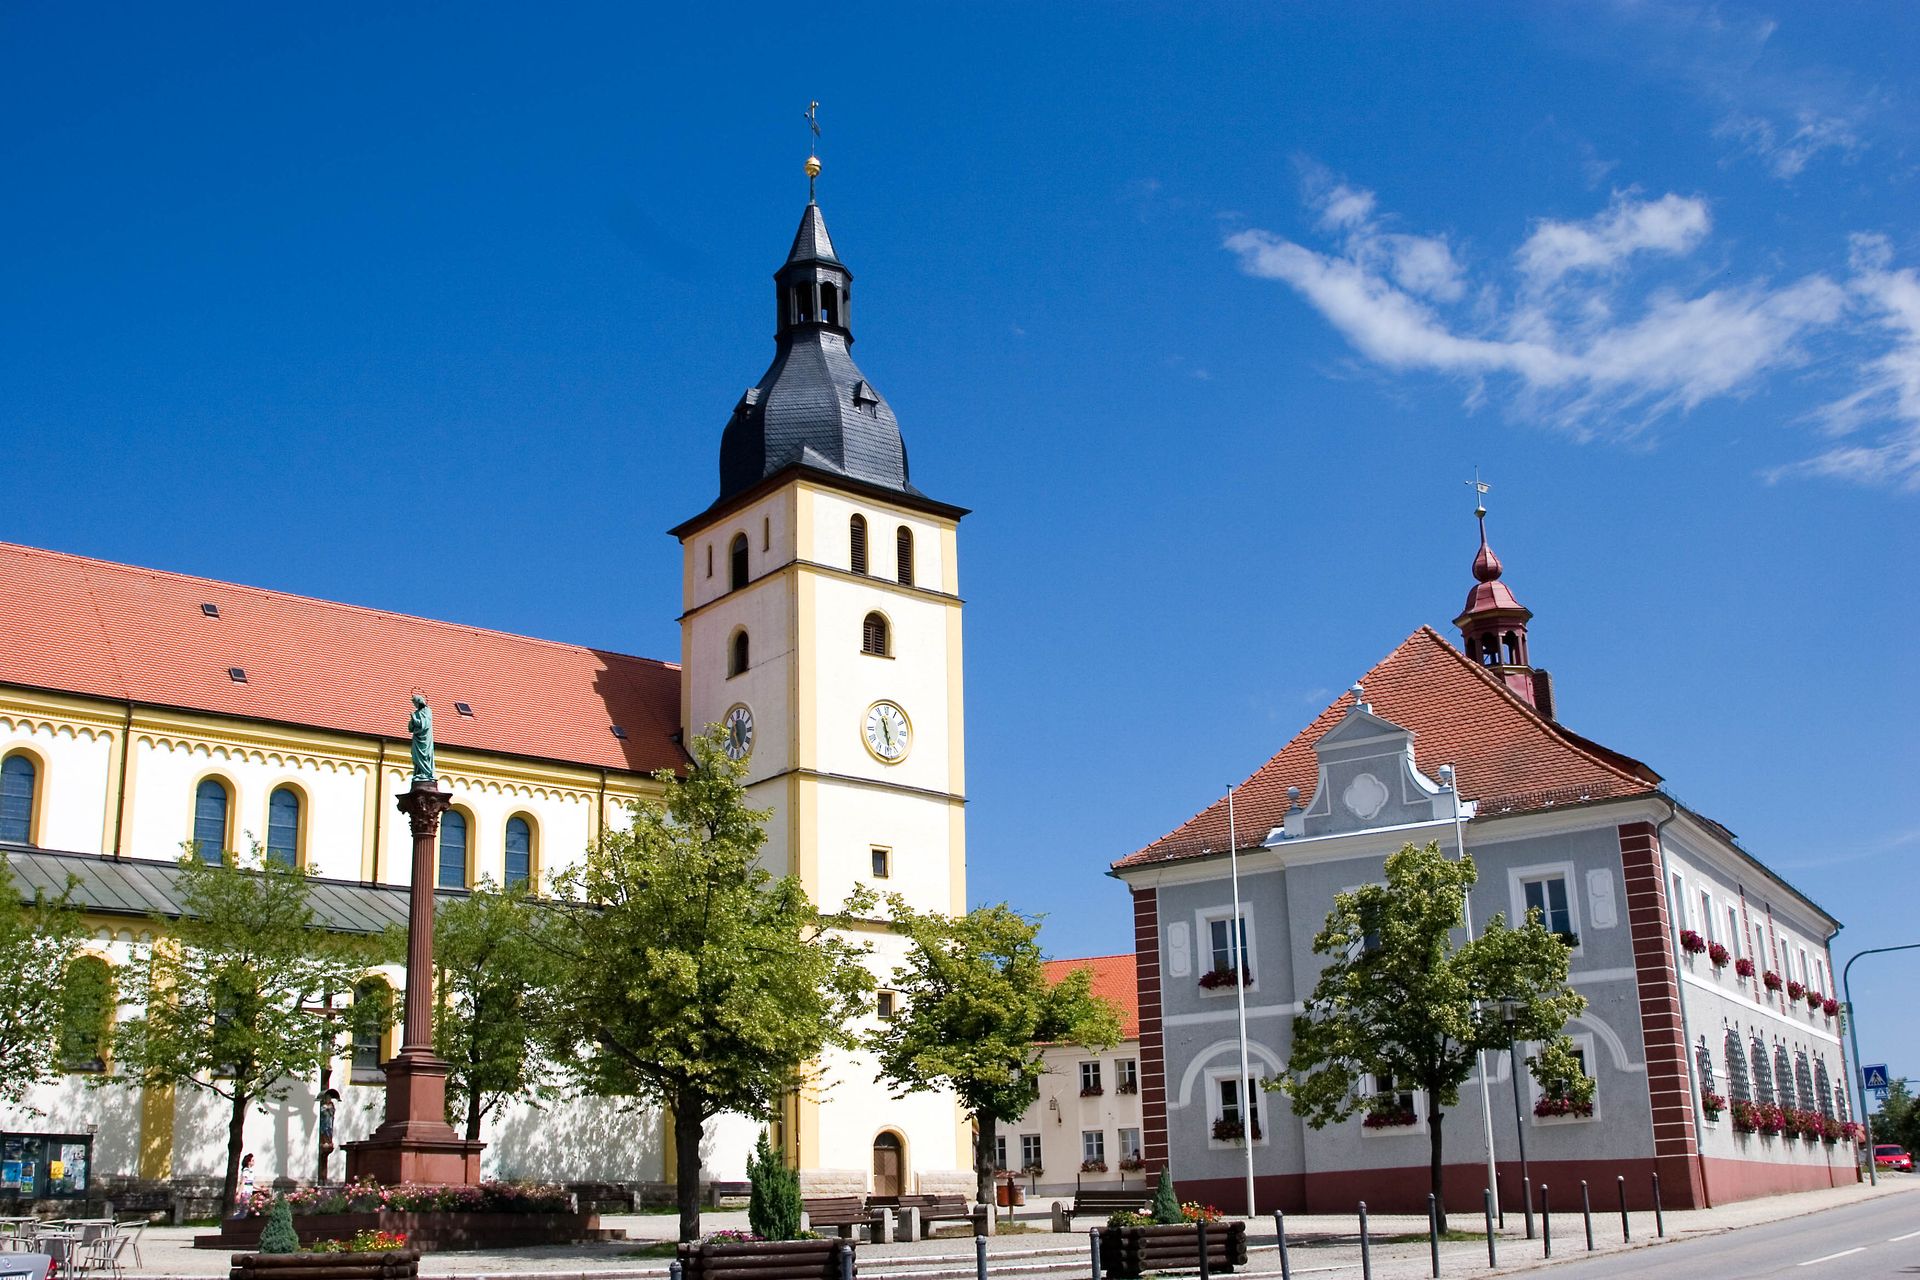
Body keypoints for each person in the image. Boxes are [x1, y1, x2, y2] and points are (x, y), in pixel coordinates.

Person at [233, 1152, 256, 1216]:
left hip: (248, 1192)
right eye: (252, 1160)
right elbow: (243, 1182)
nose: (254, 1162)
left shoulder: (250, 1171)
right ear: (248, 1162)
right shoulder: (246, 1171)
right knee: (243, 1210)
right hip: (245, 1192)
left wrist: (261, 1189)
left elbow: (251, 1184)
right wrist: (239, 1194)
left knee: (244, 1210)